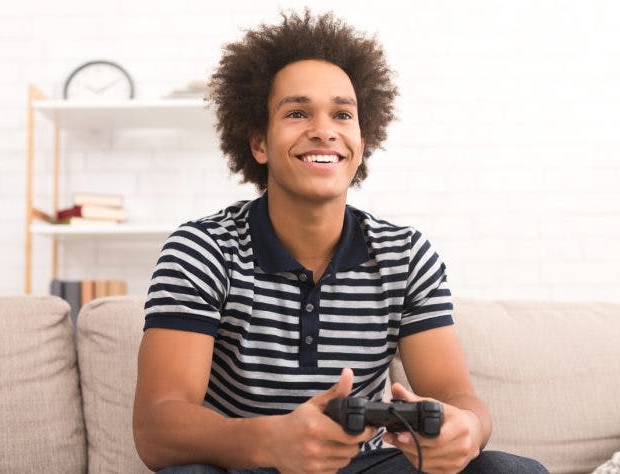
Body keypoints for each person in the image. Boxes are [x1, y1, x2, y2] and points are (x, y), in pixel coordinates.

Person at [133, 10, 548, 474]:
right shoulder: (202, 250)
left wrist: (465, 430)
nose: (324, 129)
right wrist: (274, 441)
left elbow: (459, 398)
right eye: (296, 113)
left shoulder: (405, 255)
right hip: (248, 463)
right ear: (259, 143)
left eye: (342, 114)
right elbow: (157, 427)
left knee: (508, 470)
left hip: (368, 465)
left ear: (361, 141)